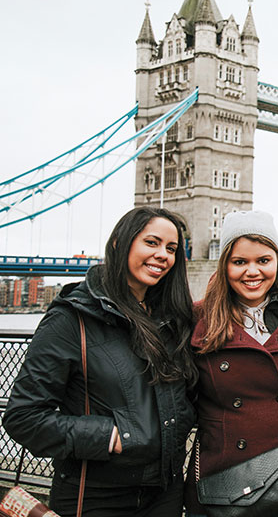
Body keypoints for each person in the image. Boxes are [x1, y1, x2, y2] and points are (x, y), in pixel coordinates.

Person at [4, 207, 197, 517]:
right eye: (151, 242)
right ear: (120, 243)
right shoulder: (70, 320)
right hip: (95, 495)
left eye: (171, 248)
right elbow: (23, 418)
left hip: (165, 491)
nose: (163, 255)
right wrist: (109, 437)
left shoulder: (172, 321)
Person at [184, 210, 278, 517]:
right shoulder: (196, 318)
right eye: (239, 262)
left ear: (276, 262)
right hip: (221, 483)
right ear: (225, 266)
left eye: (263, 260)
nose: (252, 272)